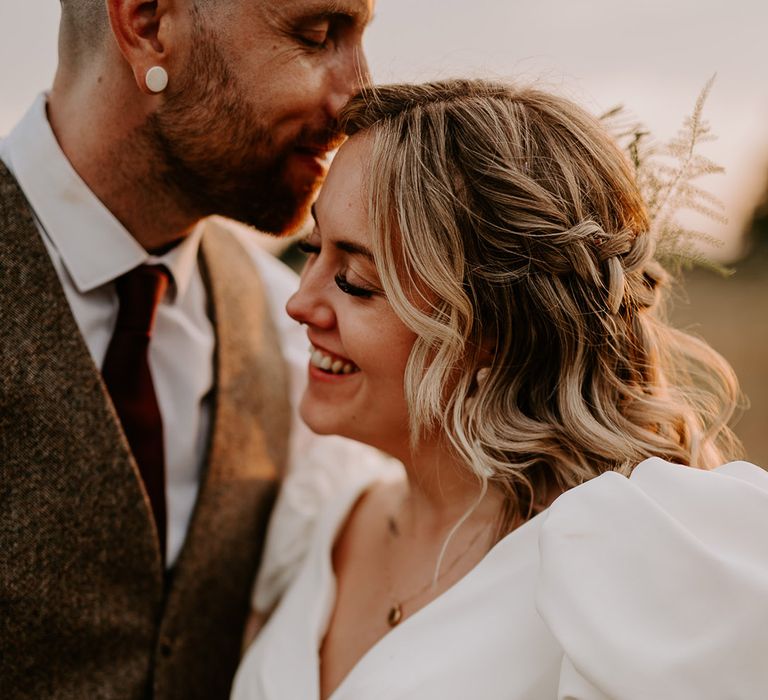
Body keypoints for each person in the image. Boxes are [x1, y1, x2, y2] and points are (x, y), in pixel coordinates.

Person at [232, 80, 768, 699]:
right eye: (312, 249)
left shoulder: (629, 571)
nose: (299, 302)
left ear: (490, 330)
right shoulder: (318, 522)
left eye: (354, 279)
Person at [0, 0, 390, 698]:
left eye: (359, 39)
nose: (359, 95)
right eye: (316, 35)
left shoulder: (289, 324)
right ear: (150, 24)